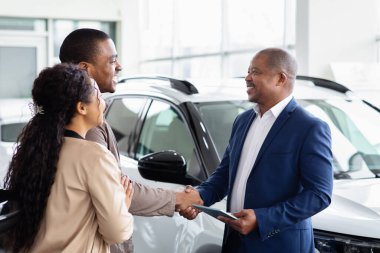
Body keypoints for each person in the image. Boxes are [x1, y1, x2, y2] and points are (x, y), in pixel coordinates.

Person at [59, 28, 202, 253]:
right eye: (112, 60)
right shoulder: (87, 131)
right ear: (85, 68)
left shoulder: (66, 120)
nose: (119, 66)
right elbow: (114, 194)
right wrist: (178, 199)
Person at [181, 48, 334, 253]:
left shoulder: (309, 127)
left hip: (280, 246)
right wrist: (200, 197)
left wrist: (262, 219)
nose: (247, 78)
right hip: (235, 243)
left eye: (255, 72)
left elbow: (319, 194)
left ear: (280, 79)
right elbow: (225, 173)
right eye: (248, 71)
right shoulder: (243, 121)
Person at [3, 63, 134, 253]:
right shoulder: (94, 156)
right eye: (98, 96)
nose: (103, 103)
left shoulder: (32, 152)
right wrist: (123, 204)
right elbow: (117, 232)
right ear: (81, 107)